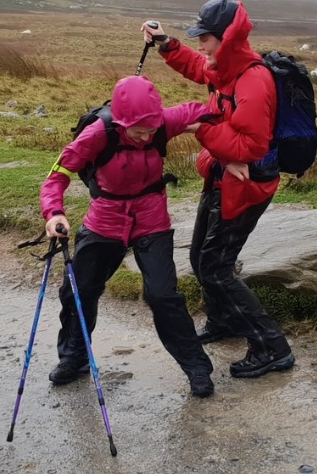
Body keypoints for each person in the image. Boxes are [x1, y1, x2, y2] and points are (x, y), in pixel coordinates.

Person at [41, 75, 216, 397]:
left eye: (152, 130)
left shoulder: (161, 123)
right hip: (105, 221)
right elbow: (56, 177)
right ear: (121, 123)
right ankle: (74, 358)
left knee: (164, 297)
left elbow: (201, 110)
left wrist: (235, 122)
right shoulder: (97, 134)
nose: (147, 136)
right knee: (78, 293)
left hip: (152, 222)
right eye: (140, 131)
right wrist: (54, 213)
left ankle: (197, 369)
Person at [148, 0, 295, 379]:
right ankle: (225, 320)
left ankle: (271, 347)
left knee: (216, 267)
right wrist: (167, 44)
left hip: (247, 186)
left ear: (227, 38)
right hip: (222, 174)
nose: (201, 45)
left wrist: (201, 127)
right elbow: (202, 69)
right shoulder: (227, 67)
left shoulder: (254, 79)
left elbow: (252, 147)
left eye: (206, 38)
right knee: (200, 257)